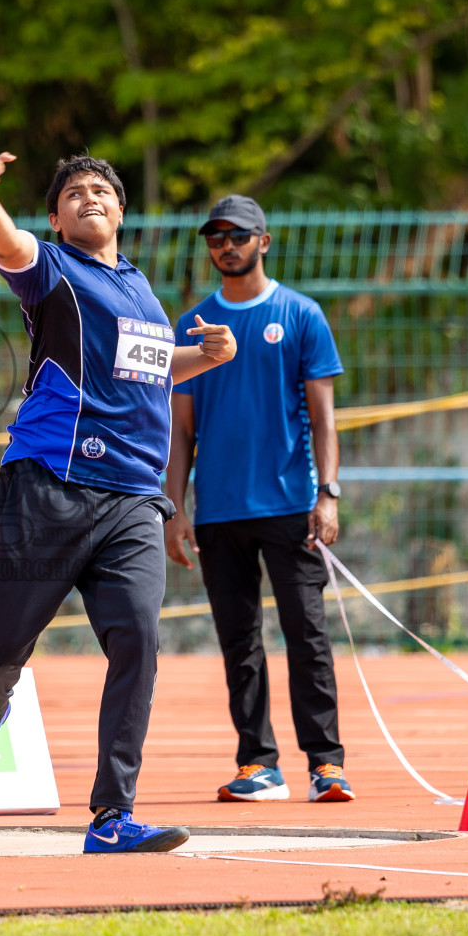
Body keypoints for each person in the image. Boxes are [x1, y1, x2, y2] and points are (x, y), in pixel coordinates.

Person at [0, 153, 237, 853]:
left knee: (139, 639)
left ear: (121, 211)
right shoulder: (52, 272)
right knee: (2, 641)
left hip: (133, 497)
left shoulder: (140, 289)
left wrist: (208, 358)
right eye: (74, 194)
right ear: (56, 219)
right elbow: (8, 245)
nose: (89, 199)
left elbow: (148, 369)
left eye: (101, 191)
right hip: (49, 481)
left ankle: (111, 817)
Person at [164, 195, 351, 803]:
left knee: (307, 635)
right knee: (239, 642)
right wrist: (176, 507)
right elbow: (180, 430)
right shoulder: (192, 327)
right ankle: (257, 763)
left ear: (263, 241)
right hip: (218, 512)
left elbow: (323, 420)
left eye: (237, 234)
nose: (226, 244)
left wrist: (327, 494)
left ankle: (326, 764)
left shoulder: (301, 315)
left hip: (291, 505)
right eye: (215, 236)